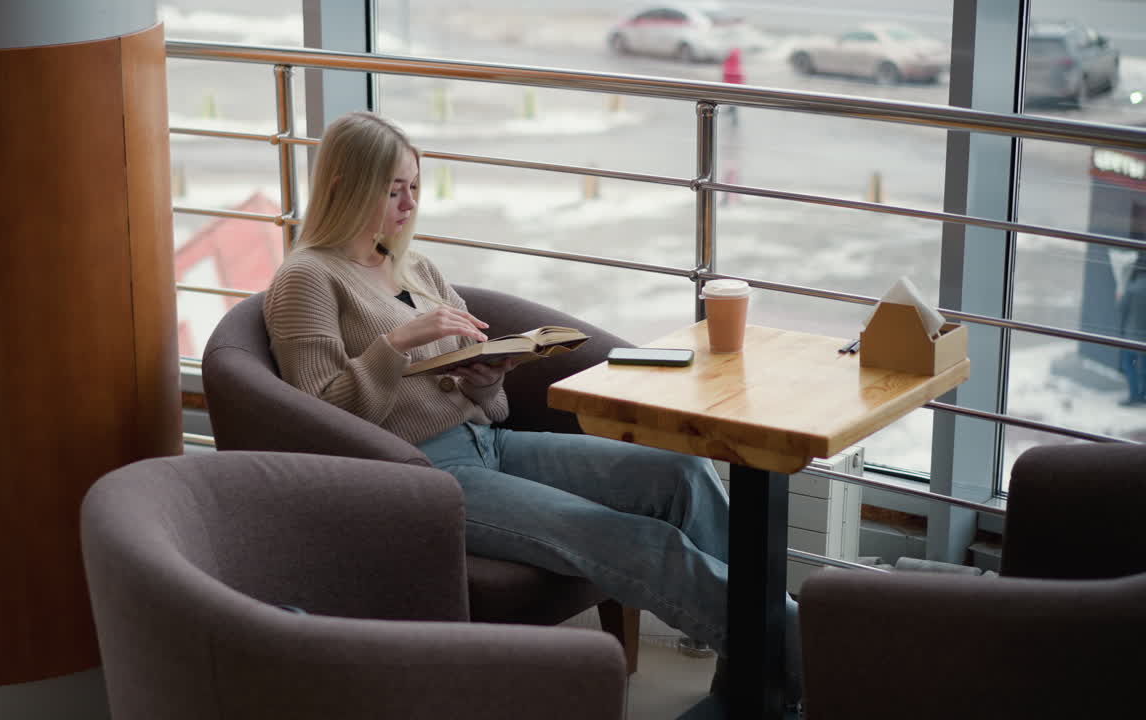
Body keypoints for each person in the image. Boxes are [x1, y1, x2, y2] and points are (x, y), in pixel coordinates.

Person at [262, 111, 802, 700]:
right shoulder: (307, 279)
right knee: (634, 540)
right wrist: (399, 343)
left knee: (682, 474)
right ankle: (814, 656)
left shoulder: (412, 265)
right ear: (345, 185)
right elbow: (320, 415)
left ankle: (760, 661)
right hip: (418, 477)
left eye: (415, 187)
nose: (409, 204)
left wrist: (486, 377)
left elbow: (483, 406)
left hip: (486, 443)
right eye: (393, 190)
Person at [1119, 249, 1146, 406]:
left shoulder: (1132, 289)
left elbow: (1121, 309)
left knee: (1129, 365)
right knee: (1144, 367)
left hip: (1131, 336)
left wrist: (1120, 297)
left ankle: (1134, 396)